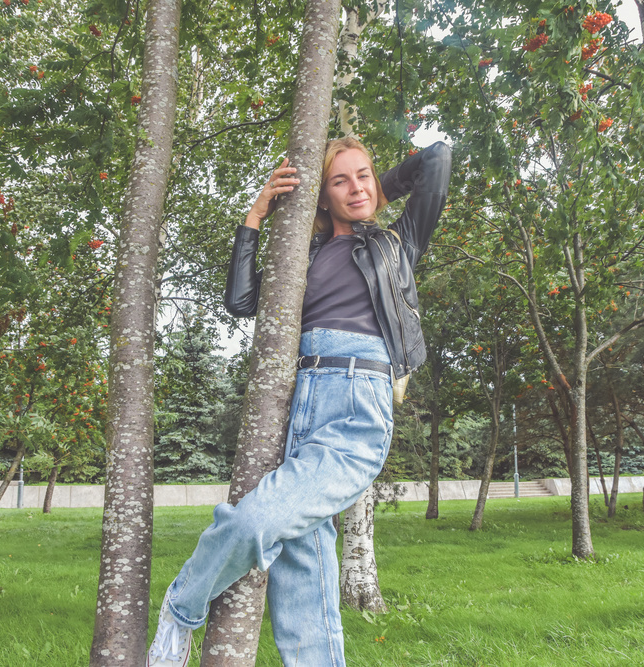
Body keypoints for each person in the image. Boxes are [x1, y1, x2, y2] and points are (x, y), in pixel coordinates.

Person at [147, 137, 451, 667]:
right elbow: (241, 301)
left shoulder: (397, 243)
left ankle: (180, 608)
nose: (355, 188)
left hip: (358, 405)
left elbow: (438, 158)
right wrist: (255, 216)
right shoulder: (301, 255)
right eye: (340, 181)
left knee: (254, 522)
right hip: (301, 404)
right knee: (303, 571)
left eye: (363, 175)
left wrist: (375, 190)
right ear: (321, 195)